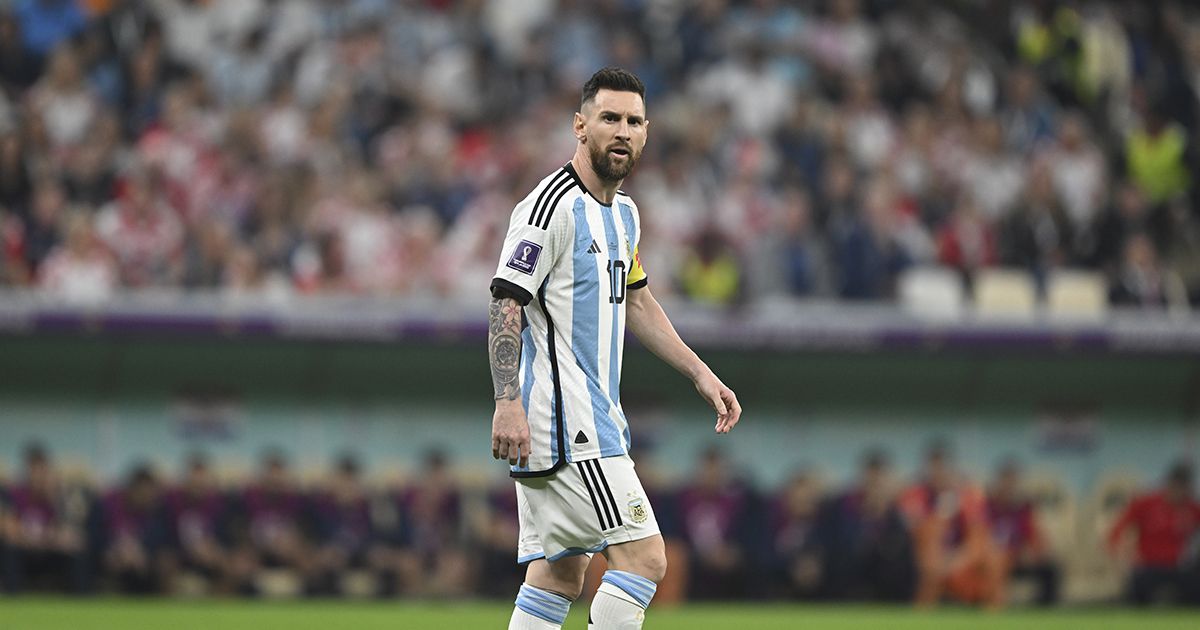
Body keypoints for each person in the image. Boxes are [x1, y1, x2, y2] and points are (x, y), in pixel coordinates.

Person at [487, 67, 742, 630]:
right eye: (609, 118)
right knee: (647, 560)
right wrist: (506, 401)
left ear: (647, 132)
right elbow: (506, 304)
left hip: (582, 422)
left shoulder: (624, 215)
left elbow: (639, 303)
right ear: (581, 126)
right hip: (568, 424)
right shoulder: (547, 207)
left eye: (632, 121)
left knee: (558, 577)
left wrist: (700, 373)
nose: (621, 131)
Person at [1108, 462, 1200, 606]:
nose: (1180, 492)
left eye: (1184, 488)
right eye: (1176, 486)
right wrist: (1120, 553)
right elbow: (1117, 529)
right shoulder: (1147, 503)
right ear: (1169, 484)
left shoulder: (1191, 508)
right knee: (1136, 592)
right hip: (1148, 566)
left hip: (1179, 567)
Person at [985, 459, 1059, 605]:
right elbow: (981, 533)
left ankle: (1043, 611)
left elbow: (1033, 534)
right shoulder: (989, 506)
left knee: (1051, 568)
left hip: (1018, 557)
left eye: (1013, 482)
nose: (1009, 486)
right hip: (993, 557)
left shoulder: (1023, 508)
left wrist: (1033, 550)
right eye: (1006, 481)